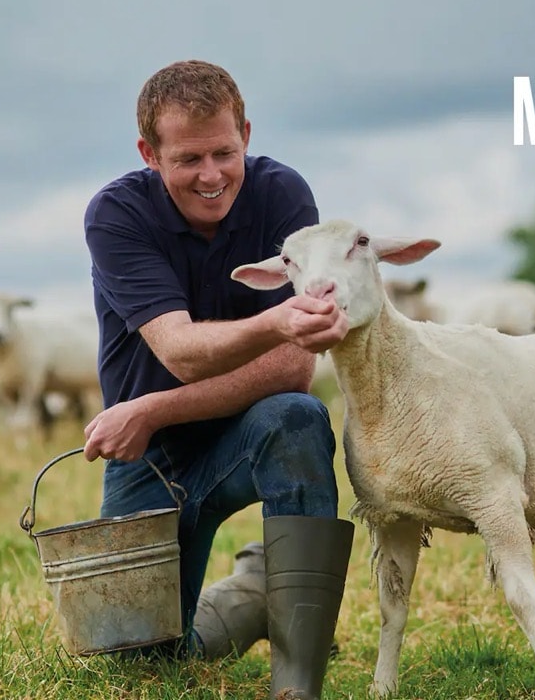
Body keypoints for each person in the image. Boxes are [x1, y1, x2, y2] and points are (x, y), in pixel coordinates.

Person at [81, 59, 354, 699]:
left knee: (297, 417)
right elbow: (181, 351)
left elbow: (294, 369)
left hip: (247, 429)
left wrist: (152, 408)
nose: (211, 176)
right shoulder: (115, 214)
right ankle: (256, 594)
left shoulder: (282, 196)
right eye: (188, 159)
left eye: (224, 153)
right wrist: (278, 322)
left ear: (246, 136)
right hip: (148, 459)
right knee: (144, 662)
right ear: (150, 154)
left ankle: (298, 681)